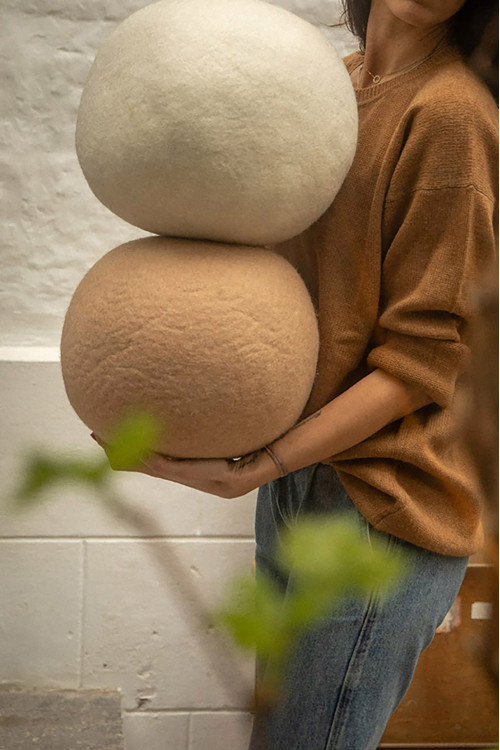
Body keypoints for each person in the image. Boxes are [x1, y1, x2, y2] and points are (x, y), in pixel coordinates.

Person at [93, 0, 498, 747]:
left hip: (383, 500)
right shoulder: (329, 89)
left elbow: (424, 362)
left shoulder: (450, 114)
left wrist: (266, 460)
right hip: (300, 476)